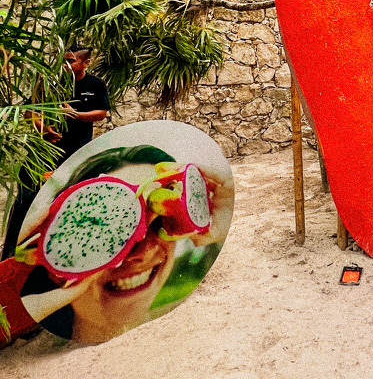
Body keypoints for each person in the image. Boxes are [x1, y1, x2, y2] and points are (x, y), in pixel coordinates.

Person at [16, 144, 233, 344]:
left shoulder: (202, 327)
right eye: (99, 232)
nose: (141, 251)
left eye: (160, 222)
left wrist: (221, 220)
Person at [1, 46, 109, 260]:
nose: (66, 66)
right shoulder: (50, 84)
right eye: (64, 61)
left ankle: (65, 257)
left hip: (75, 154)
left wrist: (75, 114)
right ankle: (9, 256)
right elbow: (30, 113)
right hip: (42, 153)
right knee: (26, 199)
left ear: (86, 63)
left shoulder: (95, 85)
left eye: (71, 61)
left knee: (71, 202)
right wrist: (43, 129)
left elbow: (102, 113)